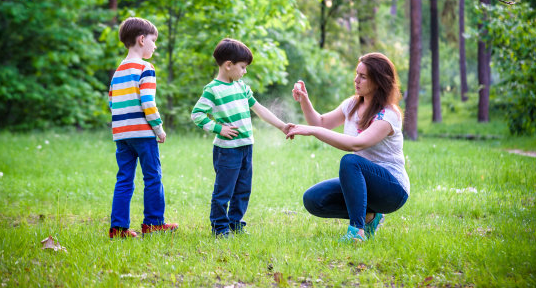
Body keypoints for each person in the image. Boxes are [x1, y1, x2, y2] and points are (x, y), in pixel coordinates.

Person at [286, 52, 410, 242]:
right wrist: (304, 100)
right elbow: (320, 122)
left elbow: (356, 144)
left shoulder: (388, 114)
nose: (356, 80)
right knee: (313, 199)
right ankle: (370, 217)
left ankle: (356, 232)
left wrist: (312, 131)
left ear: (378, 81)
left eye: (363, 76)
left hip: (392, 189)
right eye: (356, 74)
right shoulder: (352, 104)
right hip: (363, 182)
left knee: (351, 161)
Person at [191, 38, 293, 237]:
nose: (245, 71)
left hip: (246, 147)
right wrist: (218, 128)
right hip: (227, 150)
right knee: (224, 192)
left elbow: (260, 109)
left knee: (243, 189)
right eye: (243, 67)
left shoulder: (241, 87)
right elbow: (197, 115)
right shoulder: (213, 90)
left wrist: (282, 126)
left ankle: (235, 223)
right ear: (228, 65)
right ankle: (220, 228)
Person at [108, 17, 178, 238]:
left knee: (124, 179)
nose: (155, 45)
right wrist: (158, 128)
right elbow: (147, 102)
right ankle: (154, 222)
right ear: (141, 39)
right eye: (153, 40)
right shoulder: (145, 68)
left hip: (121, 134)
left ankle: (118, 228)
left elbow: (112, 101)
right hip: (143, 133)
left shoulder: (118, 71)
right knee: (152, 177)